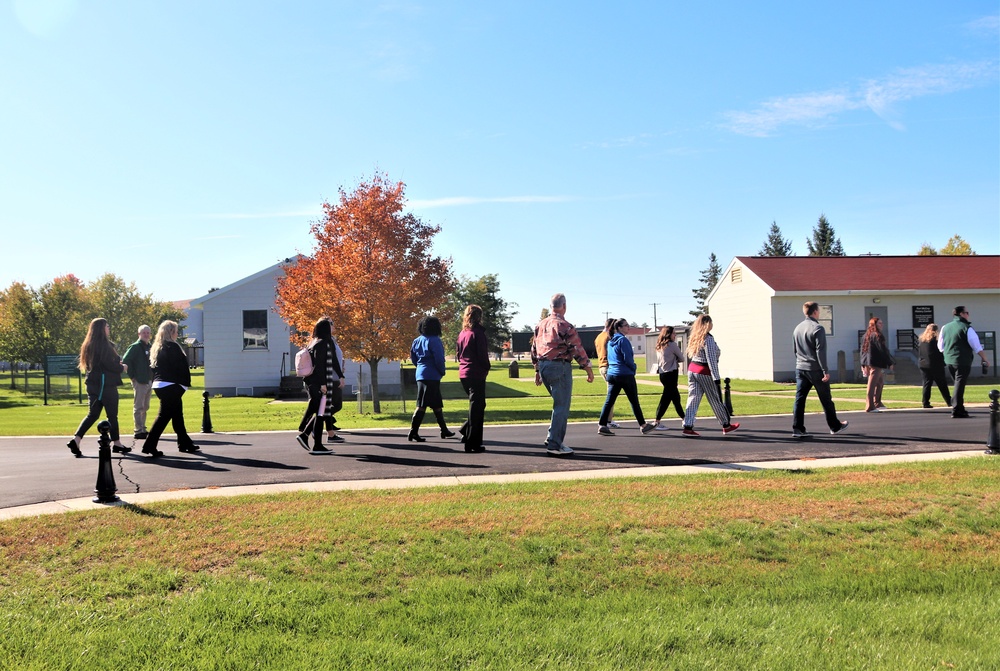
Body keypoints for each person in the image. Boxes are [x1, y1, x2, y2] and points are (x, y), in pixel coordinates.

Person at [530, 293, 595, 457]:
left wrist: (537, 371)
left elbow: (534, 349)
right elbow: (577, 348)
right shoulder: (565, 326)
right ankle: (554, 444)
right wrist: (587, 368)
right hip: (559, 366)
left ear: (551, 306)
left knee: (558, 405)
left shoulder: (540, 325)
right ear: (564, 306)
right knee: (562, 407)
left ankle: (552, 436)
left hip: (544, 366)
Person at [68, 318, 130, 457]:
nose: (109, 328)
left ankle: (76, 439)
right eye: (107, 326)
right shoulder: (104, 345)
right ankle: (117, 443)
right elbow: (110, 365)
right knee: (112, 415)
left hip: (93, 384)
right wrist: (122, 367)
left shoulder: (88, 345)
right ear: (102, 328)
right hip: (105, 385)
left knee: (93, 414)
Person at [140, 320, 199, 457]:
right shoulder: (173, 346)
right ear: (171, 332)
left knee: (177, 415)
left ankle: (185, 443)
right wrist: (183, 385)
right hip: (171, 385)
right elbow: (179, 368)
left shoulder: (157, 347)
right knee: (163, 417)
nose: (177, 333)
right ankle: (149, 445)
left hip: (161, 385)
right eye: (176, 331)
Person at [792, 302, 849, 437]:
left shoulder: (797, 328)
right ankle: (834, 426)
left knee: (799, 399)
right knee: (826, 399)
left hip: (800, 368)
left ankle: (797, 428)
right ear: (815, 312)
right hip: (815, 369)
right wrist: (825, 370)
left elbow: (795, 350)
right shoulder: (818, 328)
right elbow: (820, 351)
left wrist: (801, 362)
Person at [681, 315, 739, 437]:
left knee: (693, 398)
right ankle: (726, 425)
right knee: (715, 399)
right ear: (708, 324)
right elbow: (711, 360)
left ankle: (688, 425)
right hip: (704, 371)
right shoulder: (708, 339)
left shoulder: (695, 338)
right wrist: (716, 378)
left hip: (693, 369)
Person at [597, 318, 656, 435]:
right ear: (619, 328)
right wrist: (633, 368)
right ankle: (643, 425)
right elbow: (628, 358)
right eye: (626, 325)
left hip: (612, 373)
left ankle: (602, 425)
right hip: (624, 374)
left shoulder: (610, 341)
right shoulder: (623, 340)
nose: (628, 327)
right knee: (634, 401)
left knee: (609, 401)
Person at [297, 318, 346, 454]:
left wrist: (341, 376)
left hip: (317, 382)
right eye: (331, 324)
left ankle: (308, 437)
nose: (333, 326)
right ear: (326, 328)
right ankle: (313, 442)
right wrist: (323, 384)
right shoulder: (323, 343)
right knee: (321, 413)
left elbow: (334, 361)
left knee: (321, 413)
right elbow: (319, 366)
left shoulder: (317, 343)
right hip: (321, 383)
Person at [938, 306, 991, 419]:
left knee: (957, 384)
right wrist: (984, 358)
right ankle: (957, 409)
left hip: (949, 360)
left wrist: (948, 354)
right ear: (961, 314)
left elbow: (940, 346)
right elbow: (976, 345)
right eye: (967, 313)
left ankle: (959, 408)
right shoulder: (966, 328)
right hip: (962, 360)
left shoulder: (945, 327)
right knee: (960, 384)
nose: (968, 315)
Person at [408, 315, 455, 442]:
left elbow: (413, 358)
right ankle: (413, 432)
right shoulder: (435, 340)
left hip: (420, 374)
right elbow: (439, 359)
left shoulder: (417, 340)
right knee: (422, 404)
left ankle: (444, 430)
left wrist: (419, 367)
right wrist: (442, 371)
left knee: (436, 403)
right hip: (432, 375)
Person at [455, 304, 491, 453]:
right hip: (476, 373)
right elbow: (482, 355)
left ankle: (466, 430)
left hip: (464, 373)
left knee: (476, 406)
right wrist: (486, 368)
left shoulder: (463, 333)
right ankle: (472, 443)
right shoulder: (478, 333)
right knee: (477, 409)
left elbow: (458, 353)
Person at [121, 324, 153, 439]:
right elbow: (125, 361)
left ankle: (143, 428)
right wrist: (132, 376)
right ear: (139, 334)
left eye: (148, 333)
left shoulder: (150, 346)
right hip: (139, 381)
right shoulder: (134, 347)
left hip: (149, 380)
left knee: (146, 406)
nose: (146, 335)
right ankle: (138, 430)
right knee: (138, 406)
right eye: (144, 332)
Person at [652, 325, 685, 430]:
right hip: (671, 374)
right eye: (674, 333)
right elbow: (682, 358)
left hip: (663, 374)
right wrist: (675, 359)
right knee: (667, 398)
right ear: (669, 334)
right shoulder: (672, 345)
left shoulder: (659, 346)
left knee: (675, 397)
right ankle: (657, 421)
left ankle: (684, 418)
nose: (675, 335)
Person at [859, 317, 894, 412]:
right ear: (874, 324)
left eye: (882, 323)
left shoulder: (866, 335)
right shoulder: (877, 335)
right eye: (879, 323)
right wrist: (889, 362)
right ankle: (870, 406)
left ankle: (877, 402)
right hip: (875, 362)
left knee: (880, 382)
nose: (881, 325)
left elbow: (862, 351)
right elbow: (883, 350)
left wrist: (863, 363)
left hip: (869, 362)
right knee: (872, 384)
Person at [918, 323, 951, 409]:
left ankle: (925, 402)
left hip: (923, 364)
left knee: (926, 383)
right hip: (935, 364)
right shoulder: (936, 340)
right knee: (942, 384)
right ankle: (949, 401)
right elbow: (939, 352)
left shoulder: (922, 340)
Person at [594, 318, 618, 429]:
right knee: (611, 396)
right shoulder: (609, 337)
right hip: (608, 366)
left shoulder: (599, 336)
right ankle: (607, 420)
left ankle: (608, 420)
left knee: (611, 394)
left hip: (601, 365)